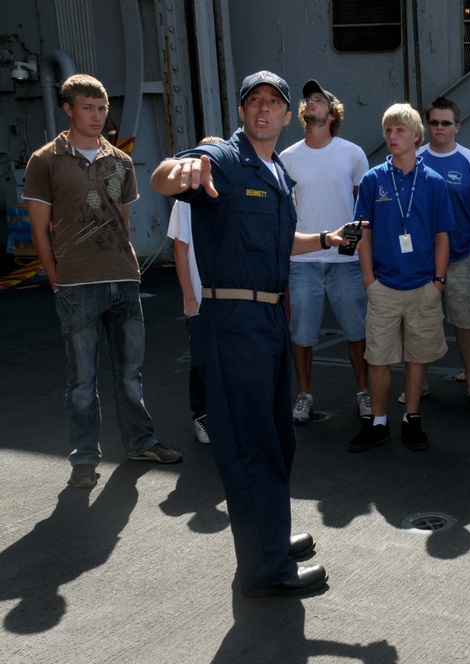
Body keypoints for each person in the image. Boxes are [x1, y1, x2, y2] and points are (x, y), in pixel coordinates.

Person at [150, 70, 358, 597]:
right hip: (234, 321)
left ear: (288, 115)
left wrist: (329, 238)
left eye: (273, 102)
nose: (263, 110)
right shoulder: (221, 158)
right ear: (242, 112)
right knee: (249, 444)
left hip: (268, 320)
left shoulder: (278, 173)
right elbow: (162, 177)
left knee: (277, 439)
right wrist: (181, 169)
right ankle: (265, 570)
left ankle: (269, 533)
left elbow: (284, 241)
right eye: (254, 102)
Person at [24, 73, 181, 490]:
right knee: (82, 380)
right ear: (69, 110)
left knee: (130, 374)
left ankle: (141, 442)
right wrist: (58, 282)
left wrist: (124, 269)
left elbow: (123, 223)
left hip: (124, 281)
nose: (97, 116)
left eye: (102, 108)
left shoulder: (121, 162)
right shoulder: (45, 161)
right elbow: (40, 230)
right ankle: (84, 458)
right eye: (88, 108)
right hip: (77, 286)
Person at [349, 103, 453, 452]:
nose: (392, 137)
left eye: (399, 131)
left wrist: (438, 282)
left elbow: (442, 235)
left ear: (416, 136)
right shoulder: (373, 179)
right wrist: (369, 280)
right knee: (377, 357)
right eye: (388, 131)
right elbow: (364, 233)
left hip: (424, 284)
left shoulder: (435, 182)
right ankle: (377, 422)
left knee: (417, 354)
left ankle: (411, 417)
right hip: (384, 285)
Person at [279, 79, 371, 425]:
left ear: (332, 114)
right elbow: (284, 211)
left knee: (357, 331)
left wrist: (362, 252)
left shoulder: (352, 153)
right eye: (308, 100)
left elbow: (364, 207)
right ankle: (304, 396)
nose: (311, 103)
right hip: (302, 261)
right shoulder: (287, 158)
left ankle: (363, 392)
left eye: (318, 100)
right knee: (301, 335)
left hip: (344, 260)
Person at [417, 96, 470, 405]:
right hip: (422, 261)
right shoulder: (415, 158)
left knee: (468, 322)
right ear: (426, 126)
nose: (439, 128)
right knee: (421, 324)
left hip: (463, 257)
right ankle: (418, 382)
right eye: (434, 122)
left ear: (457, 127)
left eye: (446, 123)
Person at [167, 135, 225, 445]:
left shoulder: (227, 193)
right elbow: (179, 251)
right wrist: (189, 297)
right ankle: (201, 415)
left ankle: (225, 412)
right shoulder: (184, 201)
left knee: (228, 355)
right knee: (201, 359)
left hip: (228, 297)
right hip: (200, 298)